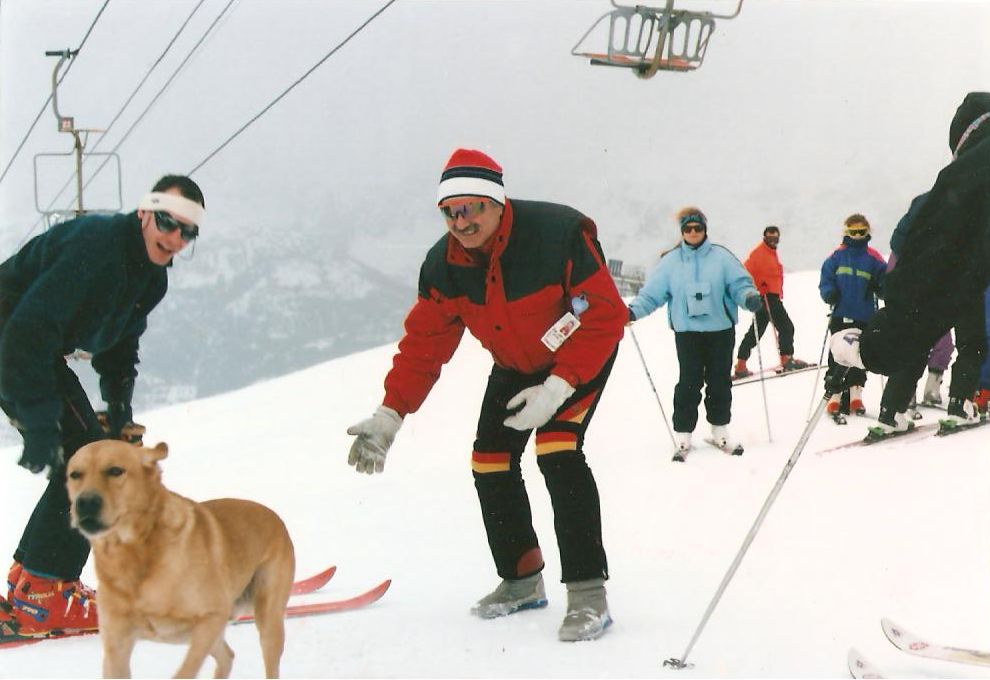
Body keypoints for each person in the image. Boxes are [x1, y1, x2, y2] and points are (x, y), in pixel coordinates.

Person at [344, 149, 626, 642]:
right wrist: (391, 414)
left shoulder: (556, 234)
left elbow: (604, 315)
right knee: (489, 460)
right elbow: (423, 345)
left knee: (557, 450)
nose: (461, 220)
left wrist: (558, 387)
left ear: (497, 202)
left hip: (579, 354)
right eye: (449, 211)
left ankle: (588, 597)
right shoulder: (444, 266)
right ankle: (521, 580)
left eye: (471, 207)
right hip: (517, 364)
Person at [0, 175, 205, 639]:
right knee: (84, 461)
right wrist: (37, 421)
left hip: (27, 346)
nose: (174, 238)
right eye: (168, 222)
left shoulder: (150, 277)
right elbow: (27, 331)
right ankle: (44, 596)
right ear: (145, 214)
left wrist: (119, 410)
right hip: (13, 342)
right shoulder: (97, 249)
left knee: (86, 455)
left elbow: (118, 345)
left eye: (187, 232)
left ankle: (30, 584)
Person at [831, 93, 990, 427]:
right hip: (954, 282)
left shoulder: (958, 185)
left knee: (939, 337)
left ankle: (897, 406)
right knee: (969, 340)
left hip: (938, 283)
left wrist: (876, 346)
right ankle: (957, 400)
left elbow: (924, 261)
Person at [627, 207, 761, 455]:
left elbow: (739, 285)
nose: (693, 232)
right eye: (687, 228)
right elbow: (652, 294)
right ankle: (683, 434)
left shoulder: (722, 257)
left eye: (697, 228)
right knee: (689, 382)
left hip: (720, 331)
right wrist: (633, 312)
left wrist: (749, 298)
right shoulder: (670, 262)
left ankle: (719, 430)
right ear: (682, 231)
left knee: (719, 380)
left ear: (704, 229)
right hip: (687, 333)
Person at [818, 214, 886, 419]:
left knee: (859, 355)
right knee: (838, 355)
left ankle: (856, 394)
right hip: (841, 313)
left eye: (861, 232)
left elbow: (885, 283)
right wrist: (829, 293)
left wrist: (880, 287)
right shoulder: (837, 257)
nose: (857, 236)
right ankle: (835, 396)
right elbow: (826, 279)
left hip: (865, 315)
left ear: (867, 233)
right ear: (846, 233)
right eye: (853, 232)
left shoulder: (874, 258)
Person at [734, 225, 810, 378]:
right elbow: (744, 271)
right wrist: (756, 286)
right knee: (786, 327)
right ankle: (786, 358)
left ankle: (741, 365)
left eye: (775, 238)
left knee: (755, 332)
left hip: (768, 297)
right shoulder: (759, 253)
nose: (773, 241)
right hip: (767, 297)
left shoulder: (770, 253)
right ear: (764, 237)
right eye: (770, 238)